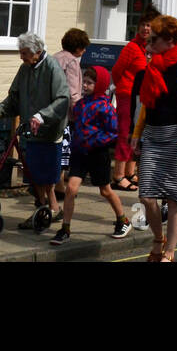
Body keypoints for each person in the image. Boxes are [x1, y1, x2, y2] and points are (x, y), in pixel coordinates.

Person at [132, 15, 177, 262]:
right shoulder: (153, 66)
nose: (149, 45)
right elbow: (146, 105)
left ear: (169, 40)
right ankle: (158, 238)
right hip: (152, 135)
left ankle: (169, 252)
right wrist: (136, 133)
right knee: (146, 196)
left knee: (174, 198)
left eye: (154, 40)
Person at [0, 32, 70, 228]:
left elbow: (62, 99)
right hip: (30, 130)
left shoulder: (52, 68)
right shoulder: (25, 68)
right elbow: (14, 97)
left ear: (38, 52)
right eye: (21, 52)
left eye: (24, 53)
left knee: (46, 174)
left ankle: (45, 210)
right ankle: (46, 209)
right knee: (34, 174)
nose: (21, 57)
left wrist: (42, 116)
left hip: (50, 131)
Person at [51, 65, 130, 244]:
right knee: (71, 188)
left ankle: (123, 220)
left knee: (105, 190)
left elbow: (113, 132)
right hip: (80, 153)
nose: (84, 85)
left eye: (89, 83)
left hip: (98, 154)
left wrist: (94, 140)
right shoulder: (80, 104)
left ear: (100, 84)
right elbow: (75, 124)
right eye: (84, 82)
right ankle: (65, 229)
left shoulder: (105, 107)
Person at [109, 6, 156, 193]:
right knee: (125, 133)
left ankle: (130, 172)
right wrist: (125, 87)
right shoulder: (131, 48)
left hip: (142, 98)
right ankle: (118, 176)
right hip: (127, 95)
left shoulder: (151, 49)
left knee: (137, 134)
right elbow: (117, 71)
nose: (146, 29)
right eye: (144, 25)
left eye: (150, 26)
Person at [54, 28, 89, 183]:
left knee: (56, 148)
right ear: (77, 48)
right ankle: (59, 185)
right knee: (64, 151)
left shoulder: (54, 58)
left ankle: (56, 184)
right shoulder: (72, 62)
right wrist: (79, 114)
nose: (85, 50)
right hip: (66, 114)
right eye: (83, 47)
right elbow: (72, 91)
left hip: (51, 110)